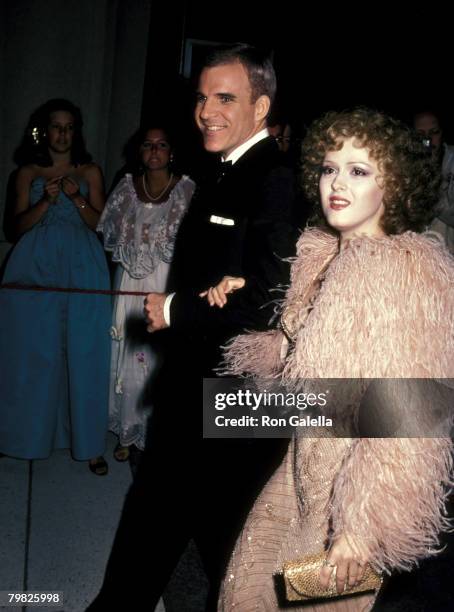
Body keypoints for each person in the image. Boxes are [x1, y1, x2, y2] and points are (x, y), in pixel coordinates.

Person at [208, 108, 454, 610]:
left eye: (359, 171)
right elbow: (297, 362)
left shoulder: (404, 274)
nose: (337, 183)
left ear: (395, 185)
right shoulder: (322, 254)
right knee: (248, 592)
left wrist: (363, 530)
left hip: (352, 493)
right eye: (328, 168)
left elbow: (413, 419)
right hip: (301, 467)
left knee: (307, 601)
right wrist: (244, 306)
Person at [88, 44, 297, 610]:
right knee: (177, 527)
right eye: (202, 98)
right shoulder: (222, 171)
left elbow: (266, 297)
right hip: (197, 391)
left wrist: (175, 309)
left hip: (232, 395)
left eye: (225, 98)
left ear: (261, 108)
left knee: (222, 540)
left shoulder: (272, 179)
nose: (207, 111)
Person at [0, 99, 111, 475]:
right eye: (56, 126)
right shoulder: (27, 173)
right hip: (35, 266)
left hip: (82, 267)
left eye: (69, 127)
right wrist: (46, 203)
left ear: (75, 132)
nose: (62, 134)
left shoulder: (91, 171)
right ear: (44, 131)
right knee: (32, 352)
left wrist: (76, 198)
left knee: (83, 352)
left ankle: (90, 444)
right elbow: (13, 230)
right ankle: (21, 436)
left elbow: (104, 227)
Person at [97, 125, 195, 460]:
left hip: (167, 281)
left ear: (172, 151)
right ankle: (127, 430)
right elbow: (110, 234)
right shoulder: (125, 188)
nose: (154, 151)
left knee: (159, 357)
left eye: (162, 144)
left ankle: (156, 432)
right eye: (148, 145)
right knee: (127, 351)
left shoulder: (187, 190)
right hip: (130, 282)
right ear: (139, 152)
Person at [413, 109, 454, 252]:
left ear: (442, 133)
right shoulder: (403, 163)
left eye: (434, 132)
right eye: (420, 135)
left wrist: (431, 186)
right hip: (412, 255)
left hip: (448, 256)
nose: (428, 140)